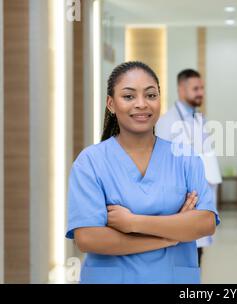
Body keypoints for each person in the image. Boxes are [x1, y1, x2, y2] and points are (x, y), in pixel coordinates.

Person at [65, 61, 219, 284]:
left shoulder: (186, 158)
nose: (141, 104)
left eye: (150, 95)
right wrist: (170, 236)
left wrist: (133, 222)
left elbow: (205, 223)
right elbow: (88, 238)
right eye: (128, 96)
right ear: (111, 103)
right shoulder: (90, 162)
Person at [156, 69, 222, 266]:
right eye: (195, 88)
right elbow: (162, 167)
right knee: (181, 264)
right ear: (181, 89)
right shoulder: (167, 123)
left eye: (202, 88)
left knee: (196, 259)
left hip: (200, 202)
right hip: (181, 206)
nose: (200, 92)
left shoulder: (198, 119)